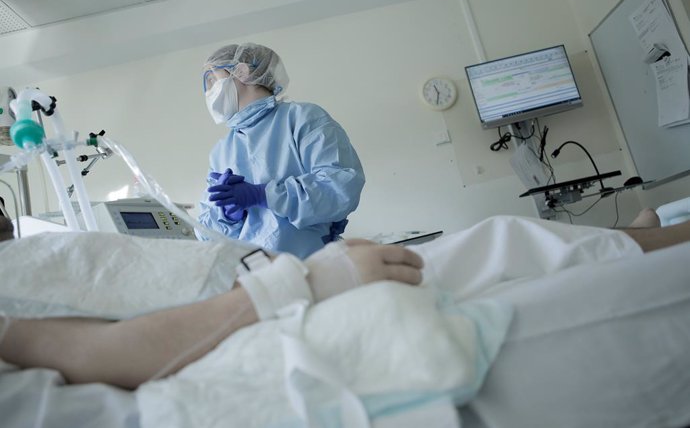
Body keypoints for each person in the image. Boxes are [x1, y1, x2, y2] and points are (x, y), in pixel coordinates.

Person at [1, 209, 690, 391]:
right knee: (505, 244)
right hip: (278, 306)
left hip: (277, 281)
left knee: (501, 242)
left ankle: (637, 238)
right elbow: (99, 351)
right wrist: (310, 281)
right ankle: (649, 242)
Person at [196, 43, 365, 258]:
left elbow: (340, 189)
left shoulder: (303, 119)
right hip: (259, 274)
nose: (209, 91)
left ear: (242, 72)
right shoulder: (221, 152)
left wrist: (264, 195)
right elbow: (207, 236)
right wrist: (228, 215)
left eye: (213, 79)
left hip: (316, 262)